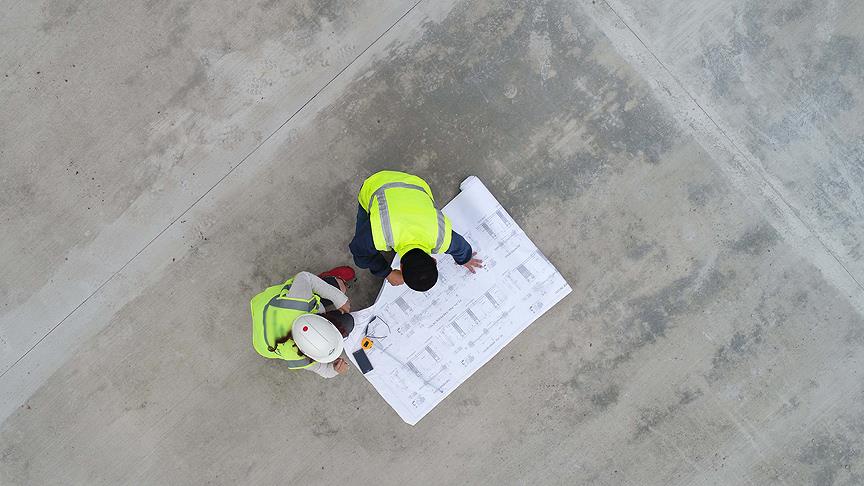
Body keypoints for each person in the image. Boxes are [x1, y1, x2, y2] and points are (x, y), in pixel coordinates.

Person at [349, 170, 483, 291]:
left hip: (416, 184)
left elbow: (461, 246)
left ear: (434, 260)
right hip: (376, 184)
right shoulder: (380, 234)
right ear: (400, 268)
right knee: (364, 234)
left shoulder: (440, 238)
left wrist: (465, 259)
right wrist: (386, 272)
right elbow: (358, 251)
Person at [250, 267, 357, 378]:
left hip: (267, 305)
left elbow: (305, 277)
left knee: (339, 287)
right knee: (347, 320)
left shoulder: (298, 302)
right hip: (263, 313)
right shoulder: (295, 355)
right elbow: (325, 371)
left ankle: (326, 281)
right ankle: (327, 284)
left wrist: (340, 299)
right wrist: (335, 369)